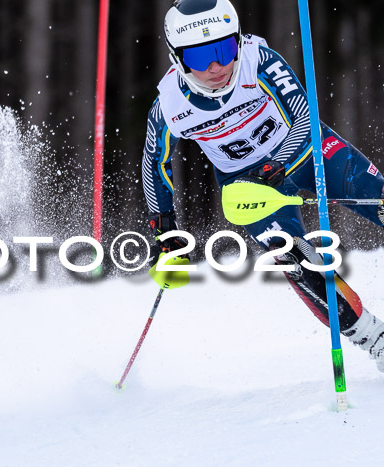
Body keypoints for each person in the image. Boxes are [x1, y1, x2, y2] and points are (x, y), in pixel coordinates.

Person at [143, 0, 384, 371]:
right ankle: (375, 339)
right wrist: (166, 231)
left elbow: (304, 115)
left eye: (224, 49)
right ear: (177, 57)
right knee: (297, 261)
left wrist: (278, 162)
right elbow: (153, 165)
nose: (216, 67)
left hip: (306, 150)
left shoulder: (258, 59)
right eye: (200, 57)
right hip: (248, 184)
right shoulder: (169, 105)